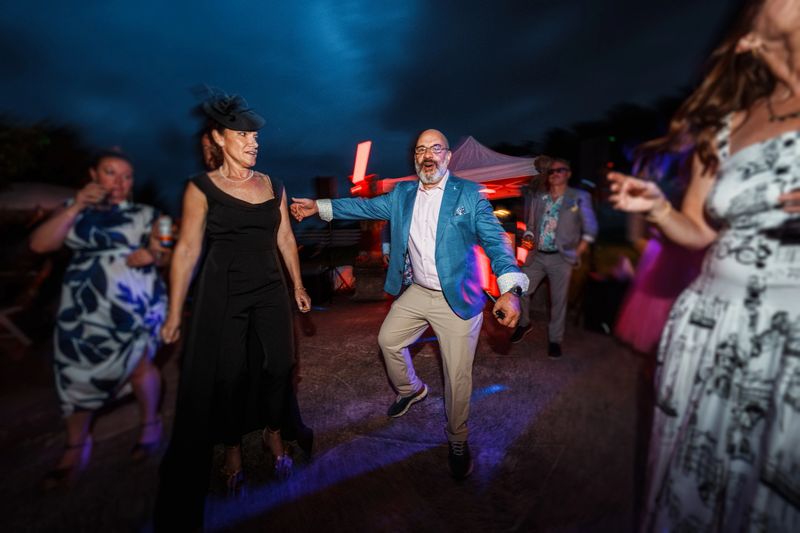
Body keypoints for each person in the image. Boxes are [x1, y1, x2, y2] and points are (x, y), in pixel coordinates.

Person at [609, 1, 800, 529]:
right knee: (696, 483)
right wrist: (660, 208)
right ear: (748, 37)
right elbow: (699, 229)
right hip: (712, 325)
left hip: (791, 340)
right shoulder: (726, 123)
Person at [291, 129, 528, 480]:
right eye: (420, 150)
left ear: (447, 156)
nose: (427, 155)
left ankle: (457, 439)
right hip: (418, 290)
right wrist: (320, 207)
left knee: (457, 375)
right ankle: (412, 390)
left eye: (435, 148)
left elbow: (496, 241)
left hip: (458, 298)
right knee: (388, 341)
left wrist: (510, 289)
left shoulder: (468, 194)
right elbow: (363, 206)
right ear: (415, 158)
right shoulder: (402, 193)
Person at [154, 92, 310, 531]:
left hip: (269, 289)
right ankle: (231, 447)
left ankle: (273, 430)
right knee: (228, 375)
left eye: (255, 134)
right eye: (243, 133)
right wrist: (172, 312)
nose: (253, 140)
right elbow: (186, 250)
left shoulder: (273, 184)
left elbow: (284, 239)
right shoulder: (200, 188)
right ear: (220, 138)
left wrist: (297, 283)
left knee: (280, 365)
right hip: (222, 293)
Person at [29, 150, 168, 488]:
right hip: (83, 307)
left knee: (139, 365)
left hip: (134, 301)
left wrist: (152, 253)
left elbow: (166, 252)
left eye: (127, 176)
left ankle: (150, 424)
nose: (120, 182)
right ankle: (76, 445)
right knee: (74, 370)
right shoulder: (70, 209)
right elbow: (39, 245)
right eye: (110, 173)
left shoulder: (148, 213)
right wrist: (77, 204)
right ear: (93, 174)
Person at [510, 158, 598, 358]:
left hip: (561, 258)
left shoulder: (579, 197)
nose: (555, 174)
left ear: (568, 173)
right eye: (551, 171)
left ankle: (555, 340)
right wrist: (529, 239)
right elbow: (531, 227)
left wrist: (579, 250)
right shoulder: (539, 198)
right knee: (521, 289)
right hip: (538, 256)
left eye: (560, 170)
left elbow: (590, 227)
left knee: (558, 301)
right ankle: (524, 323)